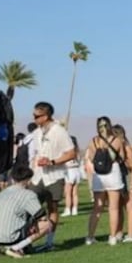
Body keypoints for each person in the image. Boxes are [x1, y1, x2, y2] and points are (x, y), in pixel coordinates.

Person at [27, 102, 75, 237]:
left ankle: (49, 240)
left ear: (46, 116)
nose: (34, 118)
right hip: (38, 177)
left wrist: (52, 162)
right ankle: (27, 238)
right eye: (33, 115)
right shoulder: (36, 133)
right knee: (30, 207)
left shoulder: (59, 131)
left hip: (55, 176)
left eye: (37, 116)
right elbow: (35, 155)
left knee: (52, 208)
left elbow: (71, 153)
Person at [0, 166, 52, 257]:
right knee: (47, 225)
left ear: (13, 179)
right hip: (9, 236)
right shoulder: (29, 195)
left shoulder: (4, 192)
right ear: (28, 180)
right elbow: (41, 215)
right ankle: (15, 248)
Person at [85, 116, 125, 246]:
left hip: (99, 175)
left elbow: (91, 157)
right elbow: (122, 157)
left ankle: (90, 237)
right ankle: (112, 237)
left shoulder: (93, 141)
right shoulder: (117, 140)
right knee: (113, 208)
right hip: (113, 172)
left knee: (97, 207)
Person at [109, 124, 132, 241]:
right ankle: (119, 231)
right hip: (118, 177)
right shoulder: (115, 148)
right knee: (119, 206)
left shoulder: (126, 147)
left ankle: (131, 234)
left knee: (129, 206)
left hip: (126, 177)